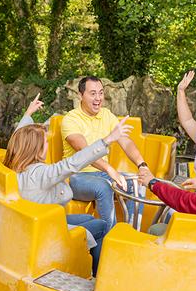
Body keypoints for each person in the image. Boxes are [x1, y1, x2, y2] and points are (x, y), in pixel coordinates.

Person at [3, 117, 134, 275]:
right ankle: (101, 274)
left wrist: (28, 113)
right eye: (45, 142)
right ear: (36, 149)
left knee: (91, 220)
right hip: (47, 233)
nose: (48, 144)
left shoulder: (16, 166)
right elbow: (72, 163)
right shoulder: (39, 174)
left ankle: (93, 262)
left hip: (38, 224)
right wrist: (108, 140)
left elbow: (17, 137)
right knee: (101, 226)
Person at [61, 76, 149, 231]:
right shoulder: (71, 119)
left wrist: (142, 165)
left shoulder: (107, 115)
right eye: (93, 93)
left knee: (138, 184)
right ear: (81, 96)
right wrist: (110, 170)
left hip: (103, 175)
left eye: (101, 93)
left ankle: (130, 234)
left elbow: (126, 142)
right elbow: (85, 151)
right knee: (104, 187)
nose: (98, 98)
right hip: (76, 177)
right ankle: (108, 241)